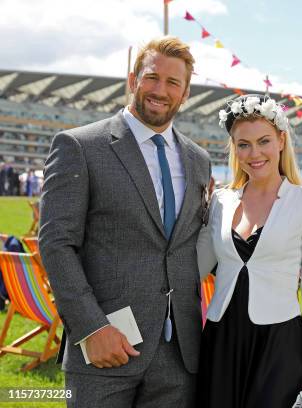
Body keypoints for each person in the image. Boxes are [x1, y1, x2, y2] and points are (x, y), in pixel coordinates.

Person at [39, 36, 211, 408]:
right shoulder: (80, 146)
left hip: (179, 357)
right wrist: (91, 328)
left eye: (173, 83)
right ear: (132, 80)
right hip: (105, 346)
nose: (160, 90)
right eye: (152, 77)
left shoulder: (199, 160)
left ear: (185, 93)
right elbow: (56, 244)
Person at [196, 94, 302, 407]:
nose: (254, 153)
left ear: (281, 140)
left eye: (263, 141)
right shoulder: (220, 200)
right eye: (243, 144)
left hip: (279, 342)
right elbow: (195, 266)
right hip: (221, 338)